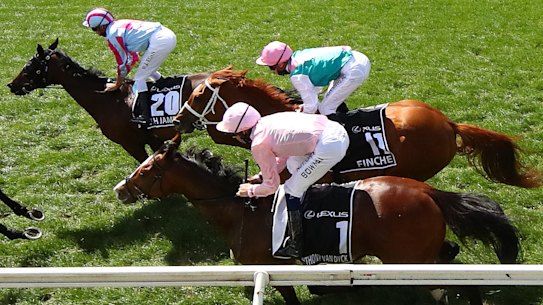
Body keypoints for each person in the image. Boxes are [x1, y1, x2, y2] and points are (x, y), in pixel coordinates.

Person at [216, 102, 350, 258]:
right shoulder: (267, 121)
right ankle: (311, 203)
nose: (236, 138)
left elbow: (271, 187)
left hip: (328, 146)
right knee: (294, 164)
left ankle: (296, 244)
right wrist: (260, 176)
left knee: (291, 189)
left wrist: (250, 191)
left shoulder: (259, 144)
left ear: (244, 131)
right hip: (335, 130)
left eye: (235, 134)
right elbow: (286, 153)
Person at [82, 7, 177, 126]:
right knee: (144, 67)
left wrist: (117, 84)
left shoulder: (113, 35)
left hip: (161, 40)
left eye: (94, 29)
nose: (96, 33)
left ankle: (145, 116)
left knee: (140, 78)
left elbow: (122, 63)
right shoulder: (117, 25)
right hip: (166, 35)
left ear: (102, 27)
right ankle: (163, 83)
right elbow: (132, 57)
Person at [256, 41, 371, 116]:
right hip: (355, 60)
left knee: (326, 109)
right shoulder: (298, 56)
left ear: (280, 64)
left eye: (271, 67)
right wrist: (304, 107)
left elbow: (312, 107)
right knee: (328, 104)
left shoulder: (297, 75)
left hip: (354, 68)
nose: (272, 71)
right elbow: (315, 90)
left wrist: (298, 116)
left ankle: (347, 137)